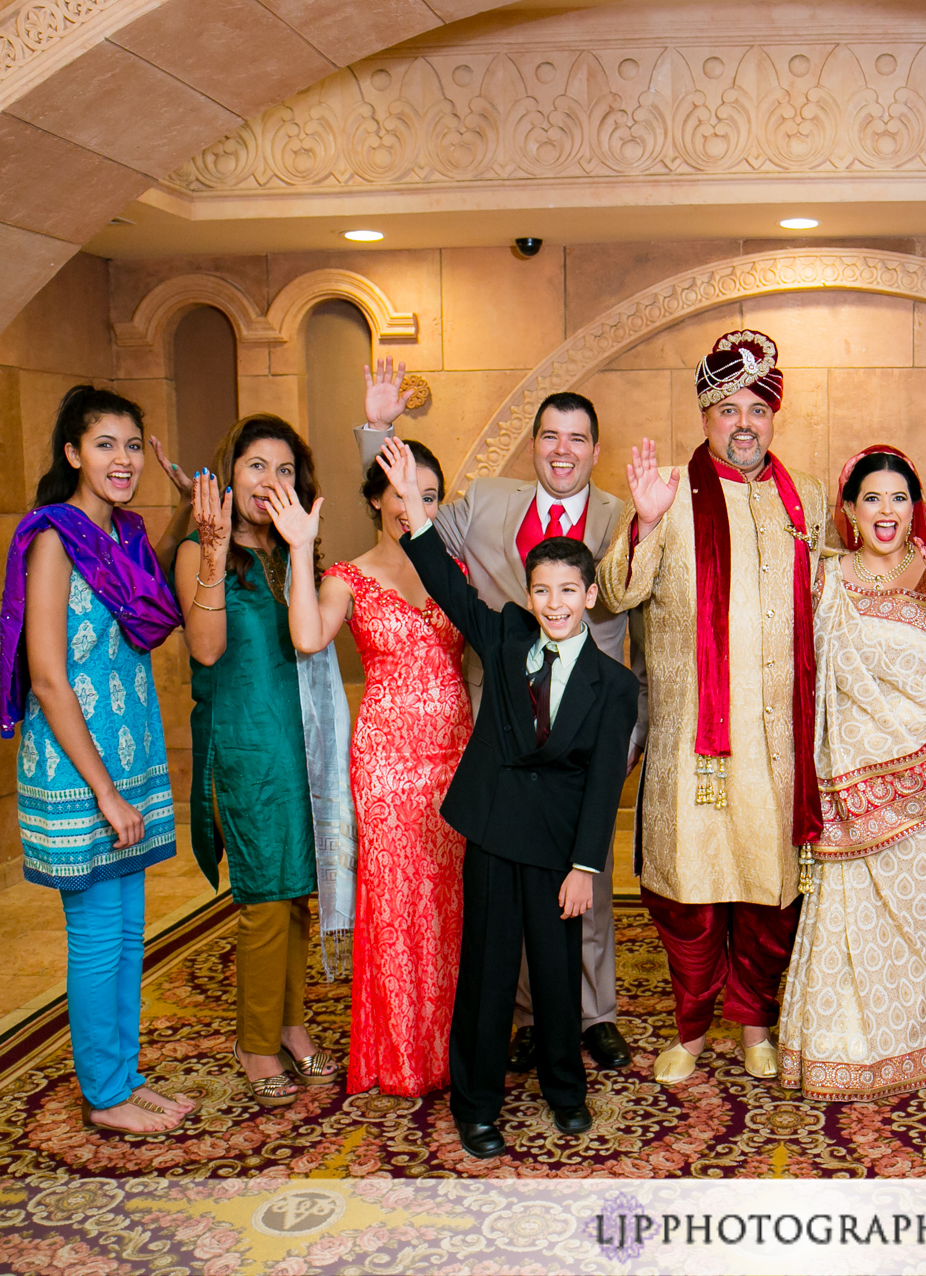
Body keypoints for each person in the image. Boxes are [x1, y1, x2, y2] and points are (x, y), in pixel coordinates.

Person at [358, 362, 642, 1073]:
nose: (562, 450)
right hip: (500, 727)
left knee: (587, 874)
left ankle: (593, 1014)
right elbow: (409, 521)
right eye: (549, 436)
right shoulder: (485, 504)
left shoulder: (626, 518)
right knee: (510, 888)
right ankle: (527, 1017)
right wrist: (379, 434)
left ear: (594, 451)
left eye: (577, 439)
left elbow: (650, 618)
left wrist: (634, 727)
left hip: (586, 726)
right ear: (534, 445)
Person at [597, 330, 828, 1086]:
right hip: (693, 743)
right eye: (726, 409)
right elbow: (617, 592)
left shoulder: (806, 502)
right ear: (705, 417)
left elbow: (835, 607)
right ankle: (692, 1029)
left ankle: (755, 1022)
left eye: (757, 410)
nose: (743, 424)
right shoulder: (667, 491)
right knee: (690, 900)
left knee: (767, 898)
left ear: (774, 418)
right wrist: (646, 521)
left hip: (779, 748)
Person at [0, 385, 195, 1135]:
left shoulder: (125, 537)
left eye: (133, 445)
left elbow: (153, 615)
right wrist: (107, 794)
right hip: (79, 776)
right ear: (73, 454)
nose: (123, 460)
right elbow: (48, 675)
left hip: (129, 760)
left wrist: (186, 516)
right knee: (95, 938)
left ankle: (123, 1075)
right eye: (106, 445)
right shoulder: (54, 538)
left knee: (125, 936)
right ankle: (106, 1095)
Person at [777, 447, 926, 1101]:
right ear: (848, 510)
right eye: (872, 498)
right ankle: (840, 1047)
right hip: (848, 788)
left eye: (899, 498)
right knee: (849, 916)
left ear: (914, 509)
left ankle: (915, 1038)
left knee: (925, 921)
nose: (886, 510)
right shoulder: (823, 580)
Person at [275, 439, 471, 1098]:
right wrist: (301, 549)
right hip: (386, 761)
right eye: (400, 488)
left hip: (456, 756)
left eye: (428, 492)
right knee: (393, 908)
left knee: (452, 906)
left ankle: (455, 1047)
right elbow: (306, 636)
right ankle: (401, 1056)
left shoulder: (456, 568)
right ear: (374, 499)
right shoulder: (348, 576)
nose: (413, 501)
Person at [175, 415, 351, 1108]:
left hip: (301, 741)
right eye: (255, 466)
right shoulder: (201, 551)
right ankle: (255, 1044)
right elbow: (208, 650)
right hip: (246, 747)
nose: (269, 482)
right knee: (264, 899)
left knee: (296, 891)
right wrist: (215, 551)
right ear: (227, 473)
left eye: (284, 471)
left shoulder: (293, 554)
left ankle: (291, 1025)